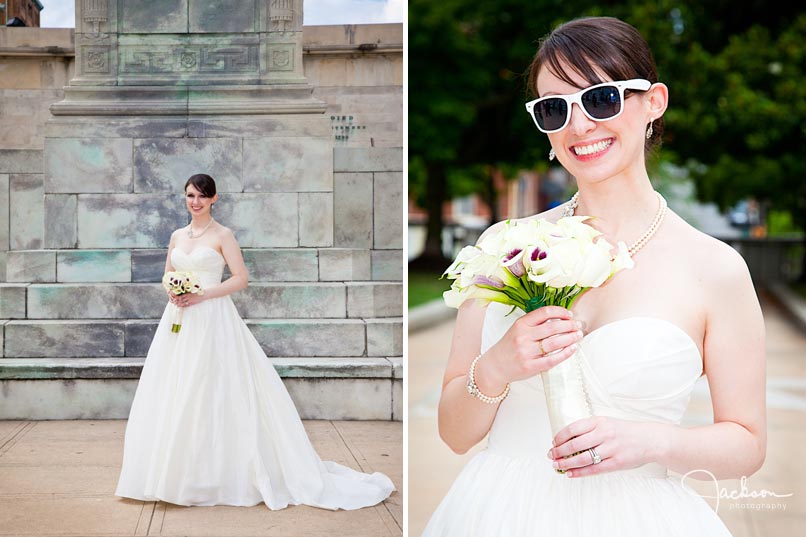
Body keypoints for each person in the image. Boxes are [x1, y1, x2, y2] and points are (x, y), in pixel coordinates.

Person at [423, 17, 765, 536]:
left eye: (602, 99)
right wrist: (496, 366)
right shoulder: (505, 248)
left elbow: (747, 443)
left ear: (654, 102)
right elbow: (454, 433)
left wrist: (652, 443)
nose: (579, 126)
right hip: (496, 513)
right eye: (555, 108)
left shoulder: (714, 268)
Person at [115, 173, 394, 510]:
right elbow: (166, 273)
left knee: (209, 387)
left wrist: (202, 294)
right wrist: (173, 291)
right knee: (173, 387)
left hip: (211, 317)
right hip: (178, 319)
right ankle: (170, 472)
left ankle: (213, 474)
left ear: (214, 199)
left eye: (202, 196)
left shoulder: (223, 235)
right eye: (190, 195)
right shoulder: (176, 235)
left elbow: (241, 279)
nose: (196, 202)